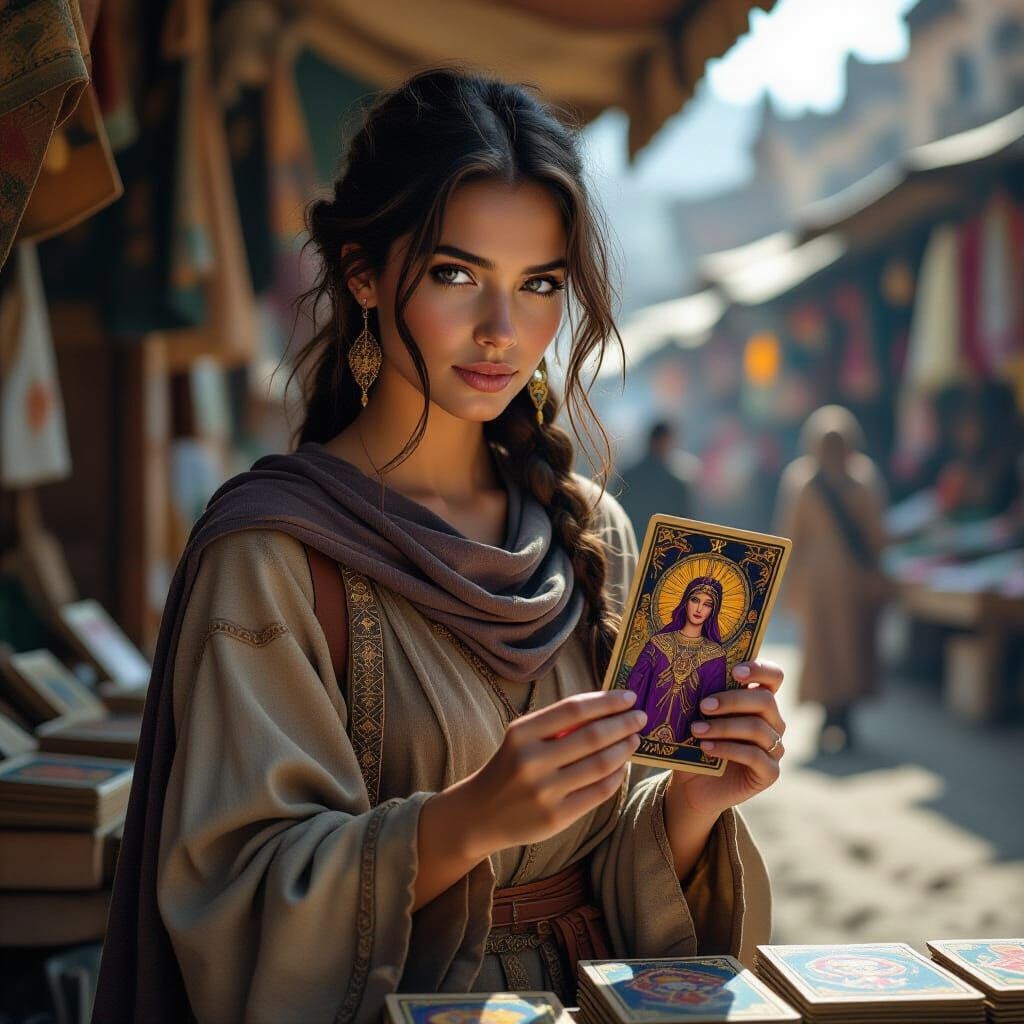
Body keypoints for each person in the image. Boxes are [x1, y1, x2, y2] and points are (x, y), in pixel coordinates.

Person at [92, 67, 786, 1024]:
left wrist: (700, 805)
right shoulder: (273, 557)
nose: (505, 332)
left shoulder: (595, 533)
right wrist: (465, 822)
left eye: (539, 284)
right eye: (457, 275)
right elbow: (228, 893)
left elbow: (603, 859)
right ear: (362, 273)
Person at [774, 405, 887, 754]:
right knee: (835, 649)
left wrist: (786, 584)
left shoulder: (806, 479)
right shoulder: (860, 478)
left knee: (834, 649)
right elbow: (876, 534)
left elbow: (788, 534)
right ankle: (836, 716)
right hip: (838, 582)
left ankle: (837, 716)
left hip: (825, 581)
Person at [626, 577, 727, 745]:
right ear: (685, 601)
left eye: (707, 604)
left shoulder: (715, 655)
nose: (699, 608)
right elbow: (634, 685)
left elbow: (714, 707)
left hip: (686, 736)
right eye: (695, 600)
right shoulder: (658, 643)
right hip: (644, 732)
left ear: (713, 611)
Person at [617, 420, 699, 541]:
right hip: (662, 551)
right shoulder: (676, 483)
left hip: (630, 547)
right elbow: (687, 524)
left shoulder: (627, 475)